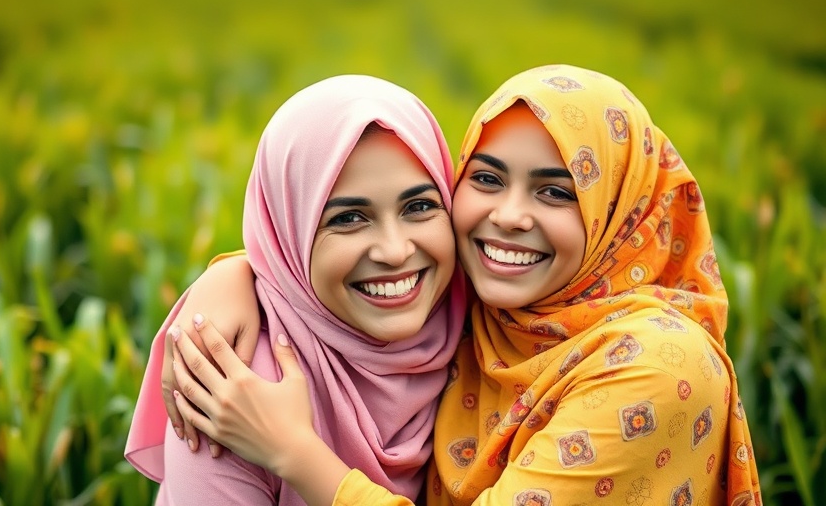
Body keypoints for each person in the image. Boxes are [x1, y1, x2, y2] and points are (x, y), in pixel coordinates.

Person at [170, 64, 763, 504]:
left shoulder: (660, 365)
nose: (506, 215)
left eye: (556, 191)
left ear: (617, 213)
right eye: (486, 177)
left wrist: (294, 454)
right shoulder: (480, 314)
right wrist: (237, 272)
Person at [124, 74, 467, 505]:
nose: (396, 251)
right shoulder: (238, 386)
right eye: (348, 218)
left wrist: (231, 271)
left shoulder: (483, 333)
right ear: (288, 232)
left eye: (419, 206)